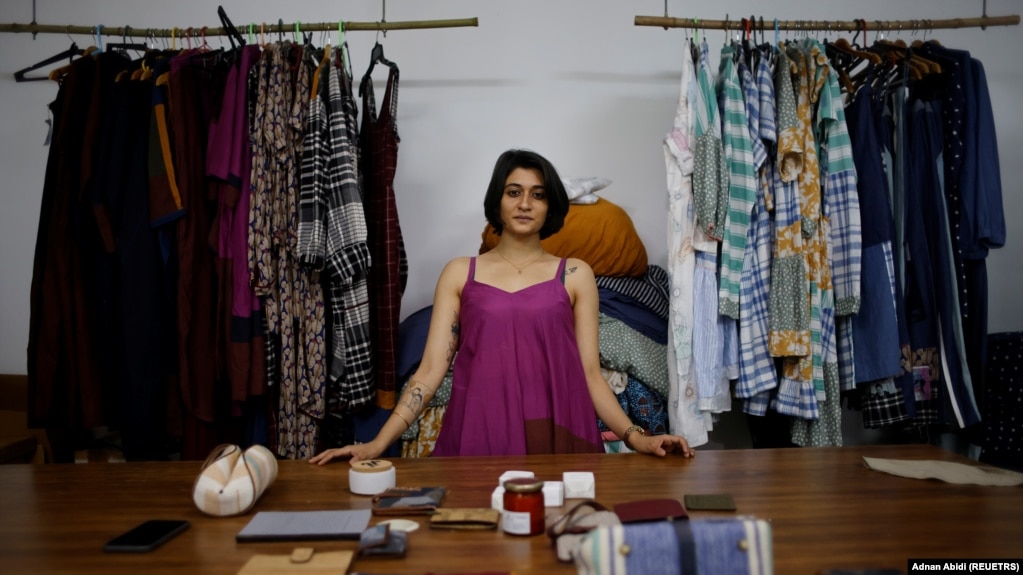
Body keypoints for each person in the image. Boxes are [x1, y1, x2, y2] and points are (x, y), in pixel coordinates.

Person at [310, 149, 694, 464]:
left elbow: (591, 375)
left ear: (550, 206)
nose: (525, 203)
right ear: (497, 199)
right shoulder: (461, 273)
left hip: (559, 431)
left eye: (538, 194)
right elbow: (429, 373)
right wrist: (377, 444)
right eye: (513, 191)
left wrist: (636, 438)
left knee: (563, 541)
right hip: (478, 431)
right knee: (475, 545)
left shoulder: (576, 274)